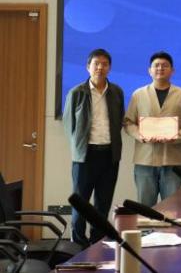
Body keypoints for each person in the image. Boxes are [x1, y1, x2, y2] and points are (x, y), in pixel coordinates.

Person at [62, 49, 124, 247]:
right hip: (85, 156)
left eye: (104, 64)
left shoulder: (117, 92)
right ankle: (78, 245)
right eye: (96, 63)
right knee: (81, 203)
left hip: (109, 155)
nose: (100, 67)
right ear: (88, 67)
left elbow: (119, 120)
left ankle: (97, 243)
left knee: (103, 204)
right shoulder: (77, 92)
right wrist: (79, 148)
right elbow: (69, 125)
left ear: (109, 68)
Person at [124, 51, 181, 206]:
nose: (160, 68)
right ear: (149, 70)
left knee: (172, 208)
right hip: (145, 160)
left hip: (173, 161)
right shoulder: (138, 94)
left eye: (165, 65)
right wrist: (140, 135)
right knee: (145, 207)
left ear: (172, 70)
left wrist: (176, 136)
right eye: (156, 65)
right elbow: (128, 122)